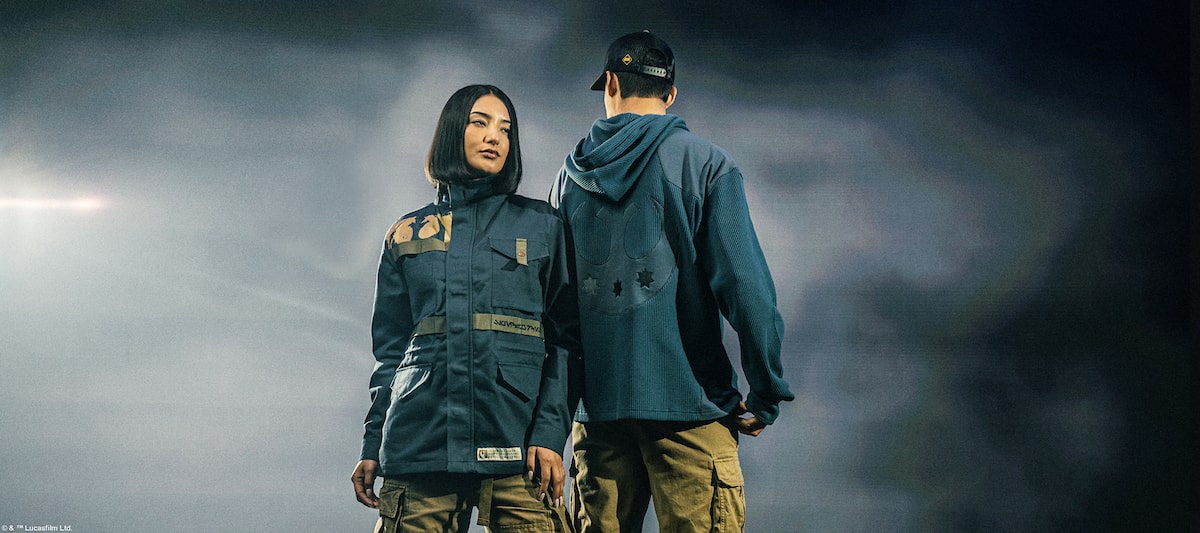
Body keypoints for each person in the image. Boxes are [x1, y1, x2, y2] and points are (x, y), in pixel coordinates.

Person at [549, 31, 795, 532]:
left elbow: (554, 312)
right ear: (671, 94)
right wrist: (766, 389)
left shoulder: (565, 182)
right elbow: (746, 287)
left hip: (598, 415)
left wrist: (555, 416)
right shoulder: (705, 164)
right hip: (691, 408)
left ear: (610, 83)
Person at [352, 84, 577, 533]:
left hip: (517, 454)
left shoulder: (543, 226)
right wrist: (372, 443)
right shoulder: (405, 234)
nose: (495, 136)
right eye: (480, 122)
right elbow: (390, 354)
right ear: (453, 131)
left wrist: (551, 436)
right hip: (421, 449)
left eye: (505, 129)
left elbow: (568, 341)